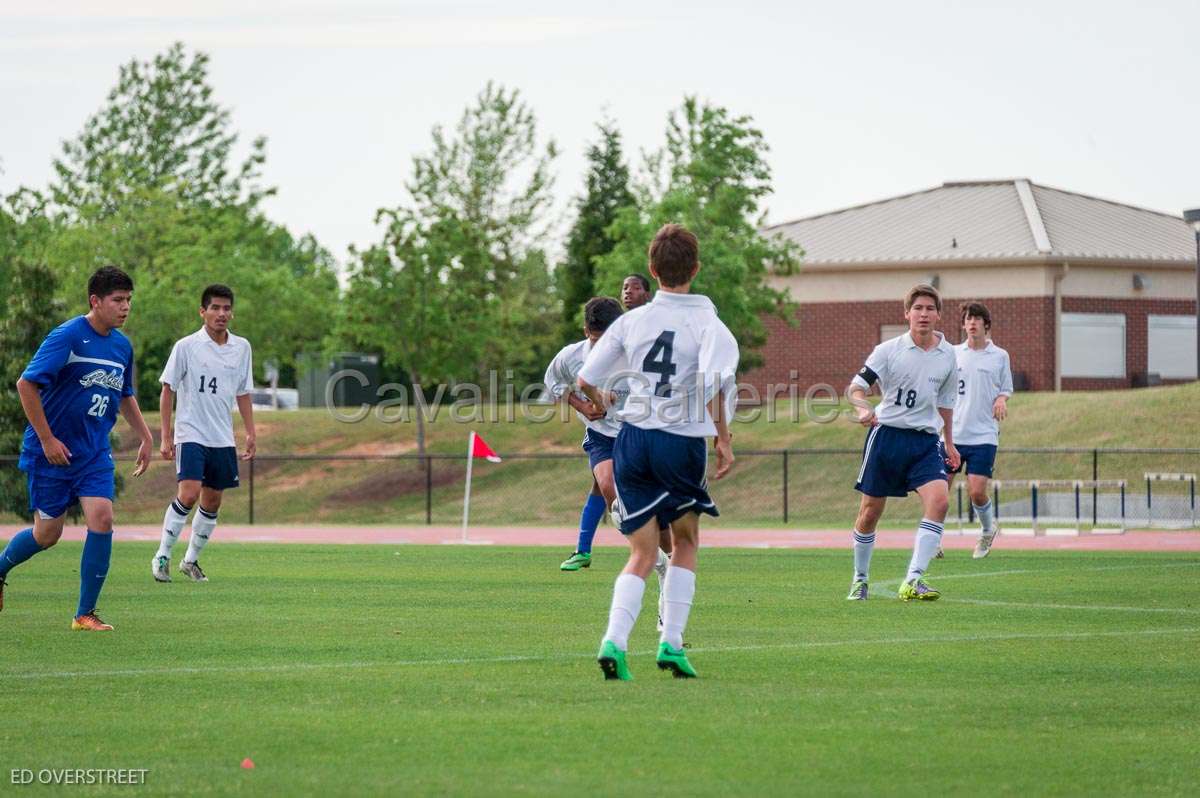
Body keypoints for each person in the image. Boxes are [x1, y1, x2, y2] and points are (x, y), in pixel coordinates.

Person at [579, 223, 738, 680]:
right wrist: (722, 438)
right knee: (685, 541)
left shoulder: (633, 320)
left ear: (652, 269)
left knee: (642, 552)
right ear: (697, 268)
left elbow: (588, 377)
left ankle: (614, 640)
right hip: (680, 440)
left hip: (632, 440)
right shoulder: (709, 323)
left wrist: (610, 399)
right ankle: (670, 643)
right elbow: (713, 383)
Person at [0, 266, 153, 631]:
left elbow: (125, 395)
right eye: (118, 300)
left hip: (93, 454)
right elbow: (26, 385)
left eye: (129, 300)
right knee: (46, 534)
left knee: (102, 517)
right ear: (95, 301)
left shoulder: (122, 345)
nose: (125, 307)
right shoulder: (68, 336)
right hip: (51, 452)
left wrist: (147, 437)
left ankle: (84, 613)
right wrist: (48, 439)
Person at [845, 284, 960, 602]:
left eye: (930, 308)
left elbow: (946, 403)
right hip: (887, 437)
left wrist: (949, 443)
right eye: (918, 308)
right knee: (869, 513)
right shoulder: (888, 350)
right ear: (906, 313)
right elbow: (855, 388)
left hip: (925, 441)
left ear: (939, 314)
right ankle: (860, 579)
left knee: (940, 502)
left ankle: (913, 580)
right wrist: (863, 407)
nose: (924, 314)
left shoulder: (949, 355)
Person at [153, 284, 256, 583]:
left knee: (212, 502)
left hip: (222, 436)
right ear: (203, 311)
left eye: (226, 308)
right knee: (189, 492)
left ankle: (191, 561)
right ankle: (162, 555)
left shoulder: (242, 347)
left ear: (231, 312)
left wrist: (250, 432)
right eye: (215, 308)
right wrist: (165, 436)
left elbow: (243, 392)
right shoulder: (186, 346)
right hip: (190, 432)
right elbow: (167, 389)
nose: (221, 313)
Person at [944, 302, 1012, 559]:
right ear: (963, 324)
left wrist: (1001, 399)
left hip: (983, 434)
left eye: (977, 319)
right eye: (968, 319)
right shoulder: (952, 353)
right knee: (939, 491)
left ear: (986, 324)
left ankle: (987, 530)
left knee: (976, 491)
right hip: (952, 435)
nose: (972, 323)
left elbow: (1005, 388)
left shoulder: (999, 356)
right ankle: (933, 539)